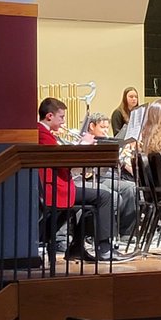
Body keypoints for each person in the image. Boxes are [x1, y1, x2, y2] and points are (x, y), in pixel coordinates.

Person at [37, 98, 127, 262]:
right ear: (49, 116)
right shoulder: (43, 135)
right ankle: (104, 249)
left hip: (61, 184)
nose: (63, 121)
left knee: (96, 200)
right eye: (61, 117)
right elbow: (64, 162)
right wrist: (83, 145)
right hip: (55, 188)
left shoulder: (47, 134)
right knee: (105, 197)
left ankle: (77, 247)